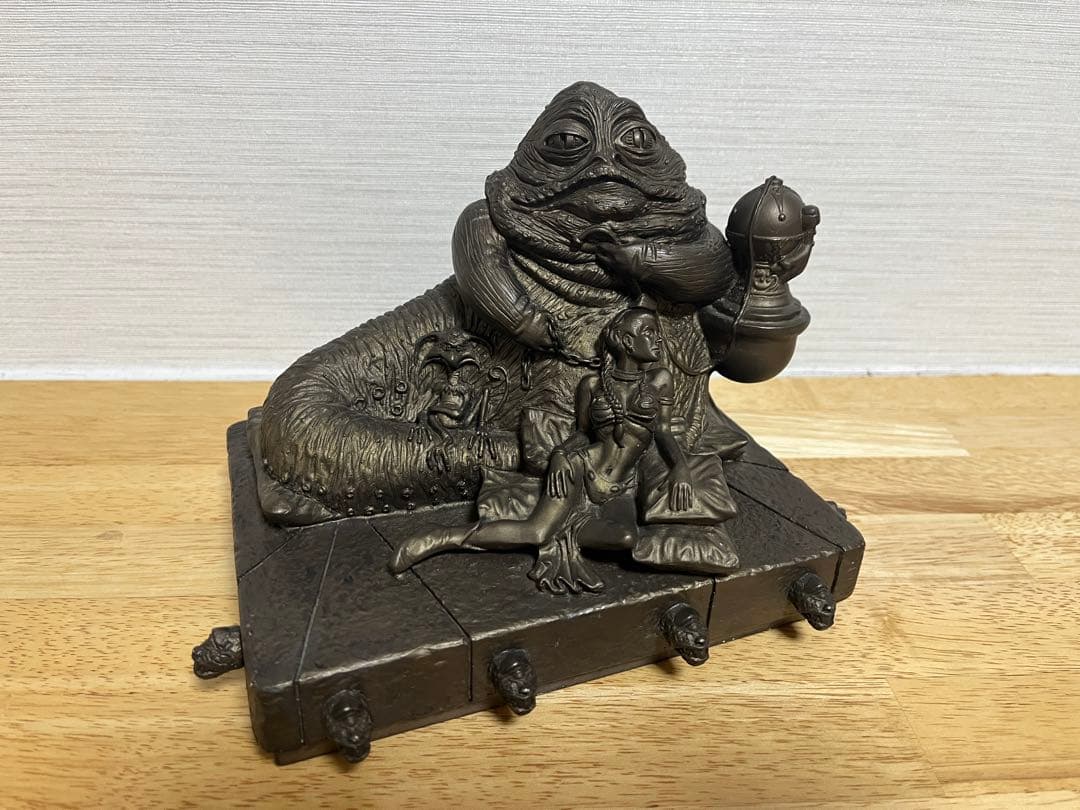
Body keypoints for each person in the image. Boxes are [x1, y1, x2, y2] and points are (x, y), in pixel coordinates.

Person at [388, 307, 696, 593]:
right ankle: (441, 537)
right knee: (536, 532)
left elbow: (663, 431)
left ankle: (563, 527)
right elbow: (582, 434)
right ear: (627, 342)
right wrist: (561, 455)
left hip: (621, 487)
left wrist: (681, 468)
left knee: (625, 538)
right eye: (649, 332)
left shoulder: (660, 380)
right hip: (580, 469)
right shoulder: (592, 384)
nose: (658, 340)